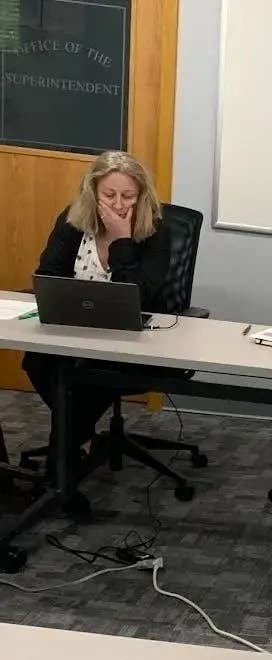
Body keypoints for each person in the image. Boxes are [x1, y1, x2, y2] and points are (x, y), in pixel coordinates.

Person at [23, 150, 171, 465]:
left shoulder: (156, 231)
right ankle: (81, 440)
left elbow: (139, 296)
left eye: (128, 196)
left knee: (87, 381)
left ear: (141, 196)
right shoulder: (72, 220)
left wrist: (121, 240)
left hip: (128, 342)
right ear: (93, 192)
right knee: (36, 362)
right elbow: (49, 274)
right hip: (71, 332)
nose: (118, 204)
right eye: (110, 195)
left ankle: (60, 472)